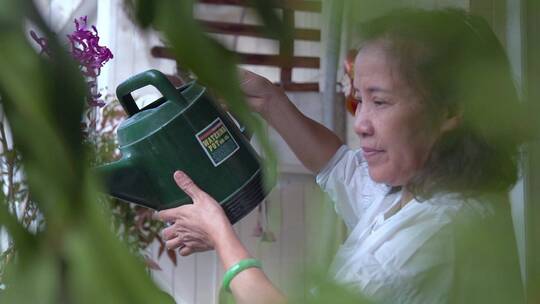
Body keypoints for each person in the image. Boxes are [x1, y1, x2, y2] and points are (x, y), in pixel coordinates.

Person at [155, 8, 526, 304]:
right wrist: (267, 97)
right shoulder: (414, 191)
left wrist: (222, 238)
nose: (361, 123)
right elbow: (338, 165)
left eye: (380, 101)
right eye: (359, 100)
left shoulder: (432, 240)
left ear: (449, 111)